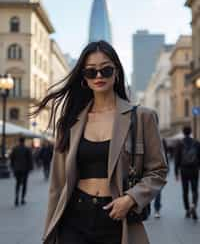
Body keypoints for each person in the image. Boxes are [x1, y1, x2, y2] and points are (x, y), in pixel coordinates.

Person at [32, 40, 168, 244]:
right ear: (83, 78)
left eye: (106, 70)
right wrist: (49, 233)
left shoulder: (141, 117)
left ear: (116, 72)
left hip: (117, 218)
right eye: (90, 72)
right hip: (74, 217)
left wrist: (131, 198)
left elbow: (158, 170)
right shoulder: (69, 122)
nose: (98, 76)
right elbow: (57, 185)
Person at [175, 126, 200, 220]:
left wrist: (176, 172)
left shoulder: (180, 143)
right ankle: (193, 205)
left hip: (184, 170)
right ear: (191, 132)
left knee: (185, 191)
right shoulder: (196, 143)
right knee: (194, 190)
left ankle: (187, 209)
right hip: (194, 169)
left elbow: (177, 158)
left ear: (183, 132)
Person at [10, 137, 33, 206]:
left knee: (17, 183)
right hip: (25, 169)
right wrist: (30, 168)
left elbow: (11, 158)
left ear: (19, 141)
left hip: (16, 169)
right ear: (24, 141)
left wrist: (12, 167)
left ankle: (16, 197)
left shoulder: (15, 148)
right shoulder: (27, 149)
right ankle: (22, 199)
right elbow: (30, 159)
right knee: (24, 184)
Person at [153, 138, 169, 218]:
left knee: (145, 189)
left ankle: (152, 209)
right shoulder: (162, 140)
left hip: (149, 168)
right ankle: (157, 210)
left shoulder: (146, 137)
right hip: (158, 168)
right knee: (157, 191)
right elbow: (165, 156)